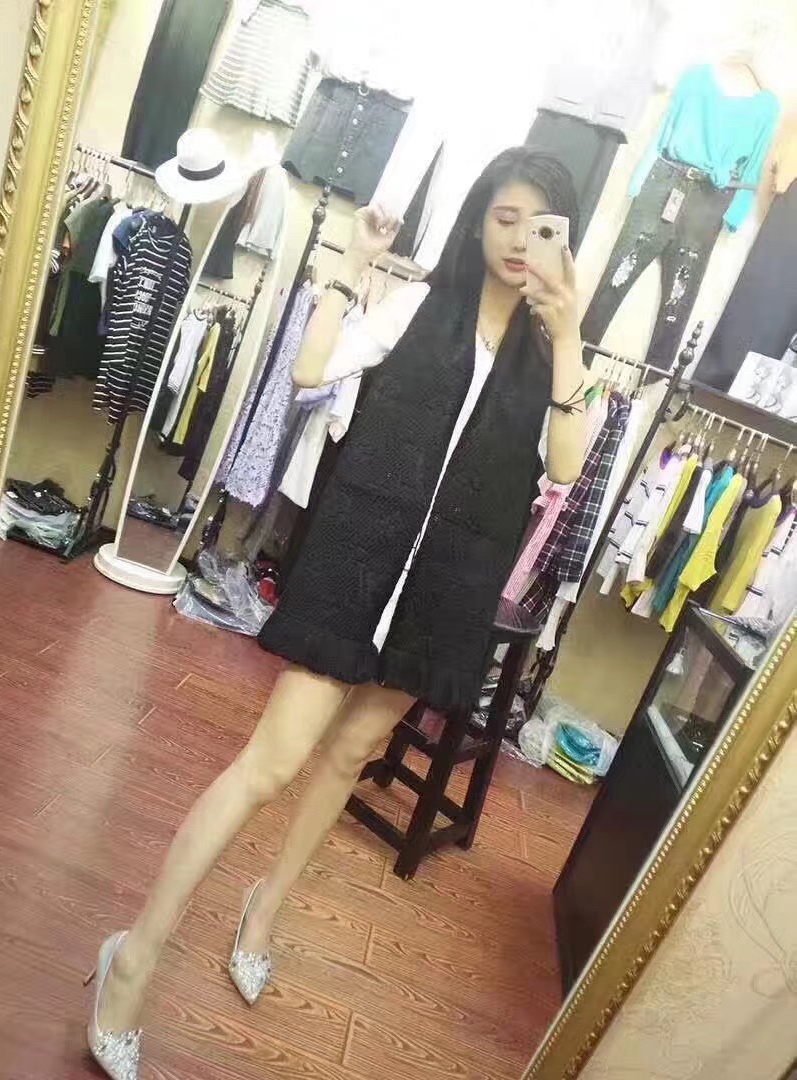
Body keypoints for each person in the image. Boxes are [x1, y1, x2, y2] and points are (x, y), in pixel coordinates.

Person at [87, 148, 586, 1079]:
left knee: (353, 755)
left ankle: (265, 910)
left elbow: (564, 465)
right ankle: (135, 953)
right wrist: (351, 265)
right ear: (478, 220)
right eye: (505, 217)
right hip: (357, 568)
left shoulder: (547, 354)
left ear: (566, 239)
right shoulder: (419, 308)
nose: (520, 240)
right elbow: (313, 367)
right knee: (269, 764)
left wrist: (570, 334)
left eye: (541, 225)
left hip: (441, 595)